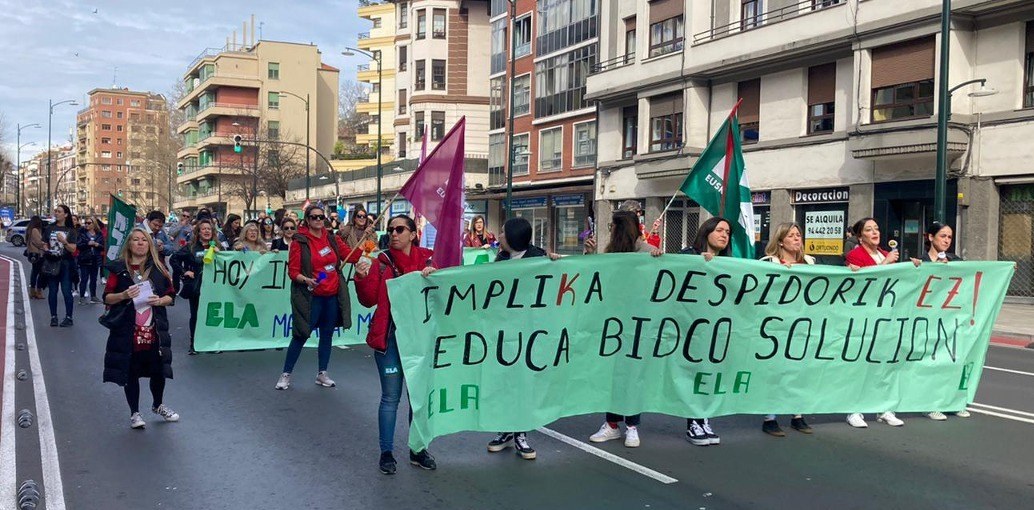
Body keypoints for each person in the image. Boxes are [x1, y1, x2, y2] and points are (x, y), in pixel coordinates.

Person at [354, 214, 438, 475]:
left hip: (420, 341)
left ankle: (418, 450)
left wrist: (435, 277)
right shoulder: (380, 262)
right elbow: (368, 300)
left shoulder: (429, 260)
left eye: (400, 229)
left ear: (413, 234)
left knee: (417, 400)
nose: (393, 233)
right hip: (390, 340)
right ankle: (386, 452)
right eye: (390, 229)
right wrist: (361, 277)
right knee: (390, 397)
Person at [486, 218, 561, 460]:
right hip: (505, 334)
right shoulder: (501, 259)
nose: (500, 235)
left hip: (530, 334)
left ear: (514, 236)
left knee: (523, 384)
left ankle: (521, 434)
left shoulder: (539, 259)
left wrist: (555, 263)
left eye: (503, 232)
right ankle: (506, 431)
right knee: (505, 384)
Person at [588, 211, 664, 449]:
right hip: (613, 323)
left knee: (632, 375)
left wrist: (658, 258)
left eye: (612, 226)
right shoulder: (610, 253)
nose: (610, 230)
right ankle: (612, 424)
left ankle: (631, 426)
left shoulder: (646, 252)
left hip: (637, 323)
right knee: (613, 375)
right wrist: (589, 256)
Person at [275, 205, 360, 391]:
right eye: (314, 217)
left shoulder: (332, 238)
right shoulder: (299, 241)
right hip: (311, 296)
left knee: (327, 335)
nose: (318, 220)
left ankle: (322, 373)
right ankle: (286, 374)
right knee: (301, 334)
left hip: (332, 295)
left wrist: (365, 242)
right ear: (307, 220)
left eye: (321, 217)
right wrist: (306, 279)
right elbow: (293, 272)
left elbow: (352, 256)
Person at [102, 228, 179, 429]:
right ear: (129, 244)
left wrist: (159, 300)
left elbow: (171, 295)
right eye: (135, 240)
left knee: (158, 370)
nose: (140, 243)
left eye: (143, 240)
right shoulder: (119, 269)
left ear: (149, 244)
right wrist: (123, 295)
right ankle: (135, 413)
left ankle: (158, 404)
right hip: (127, 330)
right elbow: (107, 297)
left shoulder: (159, 268)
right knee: (131, 371)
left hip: (154, 329)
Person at [843, 217, 910, 428]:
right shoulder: (855, 255)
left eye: (877, 228)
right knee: (861, 365)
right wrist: (885, 263)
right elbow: (866, 284)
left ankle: (884, 408)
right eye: (869, 229)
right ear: (860, 236)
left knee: (884, 365)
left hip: (886, 317)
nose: (875, 232)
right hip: (864, 317)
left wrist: (912, 267)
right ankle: (854, 410)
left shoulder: (884, 253)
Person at [679, 217, 733, 446]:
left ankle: (704, 418)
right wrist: (699, 263)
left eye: (727, 232)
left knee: (710, 373)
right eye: (719, 230)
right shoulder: (688, 255)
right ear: (706, 232)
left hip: (717, 328)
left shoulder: (730, 263)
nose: (724, 235)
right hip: (690, 327)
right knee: (693, 373)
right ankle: (693, 421)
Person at [757, 222, 815, 437]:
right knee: (776, 371)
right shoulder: (768, 263)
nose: (796, 239)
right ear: (780, 241)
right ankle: (769, 418)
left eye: (798, 235)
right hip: (776, 326)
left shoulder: (810, 262)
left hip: (802, 324)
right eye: (791, 235)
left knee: (799, 371)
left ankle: (797, 414)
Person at [918, 222, 971, 421]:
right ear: (931, 237)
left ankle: (951, 402)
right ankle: (929, 403)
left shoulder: (955, 260)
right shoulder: (921, 261)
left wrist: (1005, 269)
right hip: (928, 319)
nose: (947, 240)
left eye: (949, 237)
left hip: (950, 320)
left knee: (951, 361)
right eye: (943, 236)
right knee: (931, 361)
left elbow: (974, 275)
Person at [171, 219, 220, 355]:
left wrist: (221, 252)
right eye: (203, 229)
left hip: (214, 287)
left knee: (212, 315)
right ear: (198, 232)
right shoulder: (191, 247)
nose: (206, 231)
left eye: (209, 229)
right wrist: (184, 272)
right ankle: (194, 343)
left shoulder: (219, 247)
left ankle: (211, 343)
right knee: (196, 315)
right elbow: (174, 259)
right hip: (197, 287)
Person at [43, 205, 79, 327]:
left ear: (66, 214)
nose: (56, 213)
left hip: (65, 263)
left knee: (66, 291)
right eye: (56, 211)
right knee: (52, 291)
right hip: (51, 262)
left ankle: (69, 317)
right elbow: (44, 243)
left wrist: (64, 241)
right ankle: (53, 317)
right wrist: (46, 248)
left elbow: (73, 249)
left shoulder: (71, 230)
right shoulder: (49, 228)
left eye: (59, 212)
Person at [76, 216, 105, 304]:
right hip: (85, 259)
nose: (87, 225)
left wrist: (97, 245)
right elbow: (78, 245)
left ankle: (93, 296)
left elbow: (103, 246)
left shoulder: (99, 234)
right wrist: (87, 244)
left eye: (89, 223)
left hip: (95, 259)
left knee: (94, 279)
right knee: (84, 279)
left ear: (94, 224)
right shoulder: (82, 234)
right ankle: (82, 297)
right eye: (85, 223)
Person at [25, 216, 48, 300]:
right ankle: (38, 292)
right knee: (40, 273)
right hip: (39, 254)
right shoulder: (35, 230)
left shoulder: (29, 230)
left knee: (34, 272)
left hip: (33, 254)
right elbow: (39, 242)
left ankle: (32, 291)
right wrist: (45, 244)